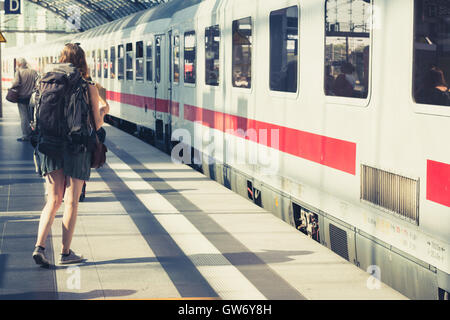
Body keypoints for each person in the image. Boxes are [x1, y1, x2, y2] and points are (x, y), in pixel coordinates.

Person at [32, 43, 110, 266]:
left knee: (53, 200)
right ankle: (65, 253)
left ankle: (40, 247)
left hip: (49, 145)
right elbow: (96, 124)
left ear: (61, 58)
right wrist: (104, 109)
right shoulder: (87, 86)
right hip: (77, 147)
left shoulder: (44, 80)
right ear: (82, 61)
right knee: (71, 202)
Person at [10, 58, 38, 141]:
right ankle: (31, 133)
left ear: (19, 64)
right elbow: (37, 83)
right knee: (30, 116)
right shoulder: (33, 72)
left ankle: (25, 135)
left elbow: (15, 83)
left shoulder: (19, 72)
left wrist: (11, 87)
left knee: (23, 116)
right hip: (31, 97)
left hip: (21, 97)